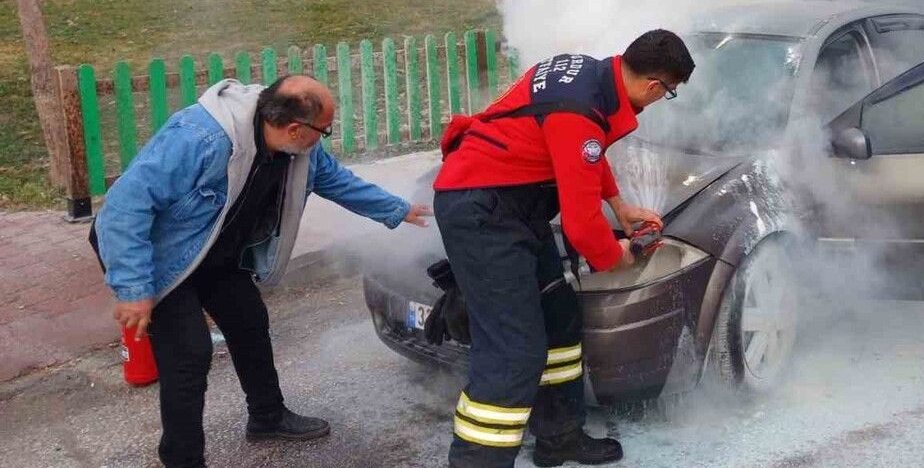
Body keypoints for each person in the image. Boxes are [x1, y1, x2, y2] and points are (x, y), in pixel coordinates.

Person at [92, 75, 431, 468]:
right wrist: (133, 287)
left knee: (249, 320)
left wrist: (396, 210)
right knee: (189, 353)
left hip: (212, 251)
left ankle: (267, 417)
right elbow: (123, 208)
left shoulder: (297, 147)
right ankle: (181, 459)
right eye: (325, 130)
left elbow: (336, 181)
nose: (324, 138)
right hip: (157, 256)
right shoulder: (201, 137)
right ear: (294, 128)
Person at [432, 29, 696, 468]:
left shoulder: (586, 76)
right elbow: (580, 225)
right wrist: (617, 257)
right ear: (656, 86)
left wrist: (619, 205)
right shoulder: (580, 111)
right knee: (514, 351)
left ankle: (560, 439)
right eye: (668, 93)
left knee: (559, 317)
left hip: (510, 205)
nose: (659, 100)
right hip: (483, 211)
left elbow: (586, 154)